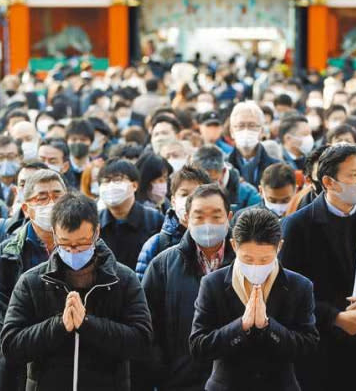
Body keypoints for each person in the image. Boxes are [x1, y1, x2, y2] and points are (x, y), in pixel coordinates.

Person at [0, 192, 152, 390]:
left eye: (82, 243)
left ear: (96, 232)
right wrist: (59, 326)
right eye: (65, 243)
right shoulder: (32, 282)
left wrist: (88, 324)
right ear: (54, 234)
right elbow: (11, 346)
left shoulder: (122, 279)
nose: (73, 251)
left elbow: (141, 341)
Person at [281, 143, 356, 390]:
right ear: (329, 182)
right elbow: (288, 292)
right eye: (352, 175)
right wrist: (335, 317)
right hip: (319, 348)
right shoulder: (298, 226)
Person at [189, 208, 319, 390]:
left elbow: (308, 346)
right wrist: (240, 326)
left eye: (265, 259)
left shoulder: (300, 286)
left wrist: (268, 326)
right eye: (248, 259)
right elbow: (198, 346)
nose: (256, 266)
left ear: (279, 247)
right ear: (234, 246)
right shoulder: (213, 283)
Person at [139, 183, 236, 389]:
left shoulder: (243, 262)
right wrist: (162, 372)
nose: (207, 224)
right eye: (199, 216)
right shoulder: (163, 265)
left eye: (216, 216)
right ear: (187, 219)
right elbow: (147, 326)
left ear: (229, 217)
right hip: (179, 381)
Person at [0, 169, 66, 391]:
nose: (52, 203)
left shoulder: (84, 246)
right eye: (42, 198)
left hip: (67, 355)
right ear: (26, 208)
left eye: (58, 196)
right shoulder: (6, 252)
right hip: (18, 358)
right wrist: (29, 340)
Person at [136, 165, 212, 280]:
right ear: (173, 201)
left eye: (197, 193)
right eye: (184, 194)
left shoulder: (219, 241)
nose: (190, 200)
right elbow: (143, 293)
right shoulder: (156, 245)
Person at [97, 158, 164, 270]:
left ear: (134, 185)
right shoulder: (94, 222)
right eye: (106, 181)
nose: (111, 186)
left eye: (117, 180)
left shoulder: (154, 220)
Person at [191, 145, 262, 212]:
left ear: (223, 171)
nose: (205, 186)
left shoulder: (248, 194)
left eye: (211, 180)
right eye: (200, 180)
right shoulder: (189, 189)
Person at [227, 102, 279, 187]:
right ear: (231, 131)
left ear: (261, 131)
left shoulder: (276, 168)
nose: (246, 130)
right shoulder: (223, 166)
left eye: (252, 125)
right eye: (241, 125)